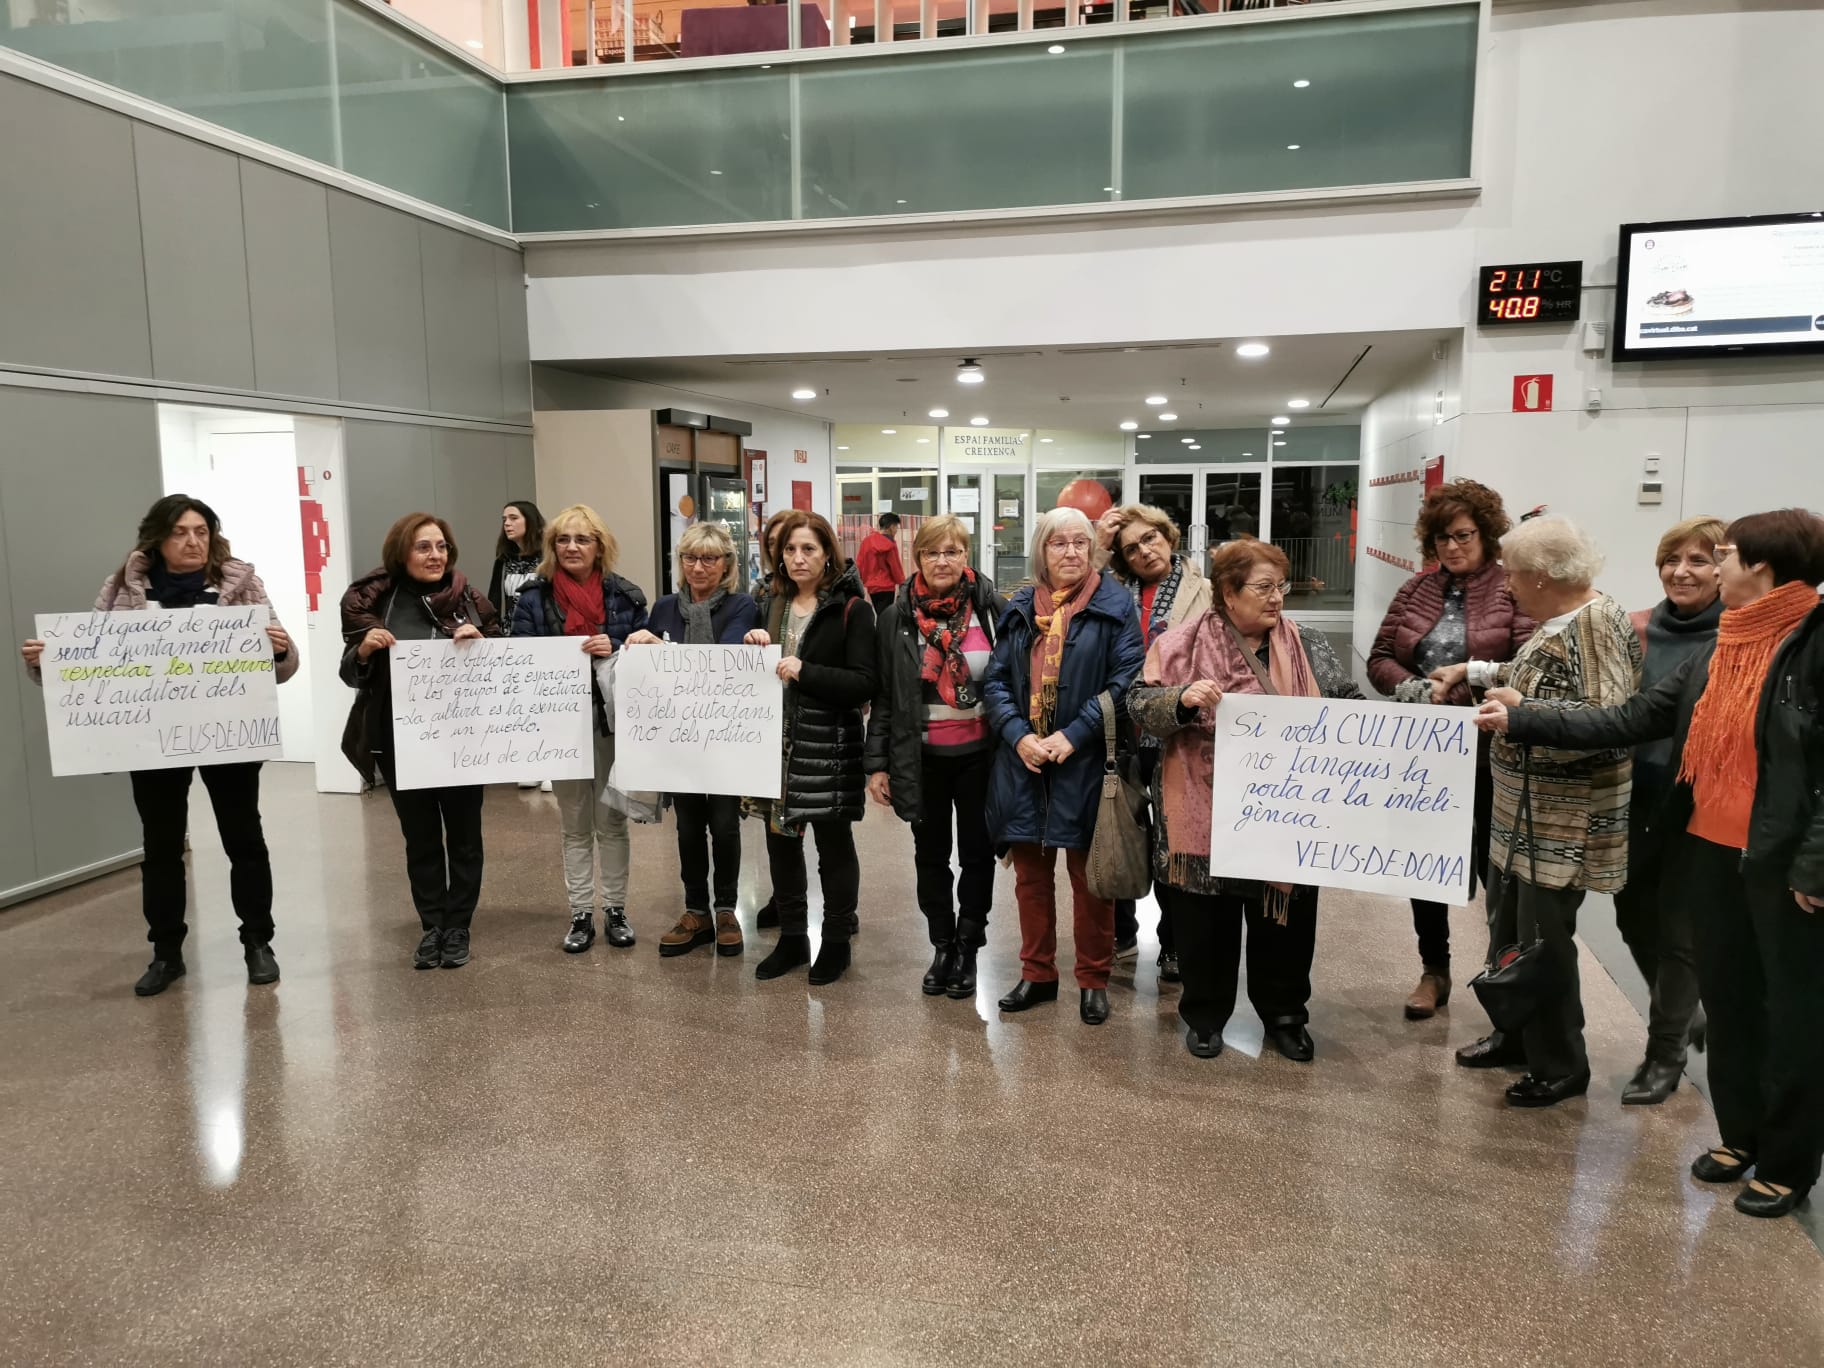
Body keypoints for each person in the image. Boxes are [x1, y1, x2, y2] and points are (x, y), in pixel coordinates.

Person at [1479, 510, 1824, 1213]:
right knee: (1728, 1001)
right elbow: (1631, 720)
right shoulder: (1721, 647)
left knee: (1793, 1016)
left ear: (1760, 568)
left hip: (1782, 864)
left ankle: (1787, 1164)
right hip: (1705, 848)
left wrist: (1814, 868)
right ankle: (1741, 1135)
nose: (1710, 568)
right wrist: (1525, 716)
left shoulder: (1812, 643)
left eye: (1722, 555)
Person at [19, 495, 297, 996]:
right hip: (151, 740)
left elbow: (283, 661)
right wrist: (49, 662)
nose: (193, 542)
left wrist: (279, 650)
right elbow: (92, 663)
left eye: (202, 532)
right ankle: (166, 952)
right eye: (181, 533)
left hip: (227, 734)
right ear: (157, 538)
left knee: (244, 840)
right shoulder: (123, 587)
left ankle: (258, 942)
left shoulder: (242, 584)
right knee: (161, 846)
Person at [1129, 538, 1364, 1061]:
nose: (1277, 597)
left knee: (1283, 921)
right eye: (1263, 587)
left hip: (1285, 813)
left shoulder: (1307, 644)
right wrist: (1182, 700)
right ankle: (1206, 1015)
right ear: (1228, 594)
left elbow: (1347, 704)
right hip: (1200, 809)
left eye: (1281, 586)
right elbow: (1139, 704)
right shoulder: (1180, 644)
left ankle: (1284, 1015)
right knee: (1204, 924)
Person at [1445, 517, 1641, 1107]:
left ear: (1543, 577)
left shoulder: (1597, 625)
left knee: (1545, 944)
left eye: (1512, 572)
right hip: (1522, 815)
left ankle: (1560, 1064)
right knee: (1510, 930)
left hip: (1562, 822)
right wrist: (1488, 677)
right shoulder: (1557, 620)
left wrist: (1519, 715)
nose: (1503, 583)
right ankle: (1516, 1034)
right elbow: (1544, 679)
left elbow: (1610, 723)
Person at [1368, 479, 1534, 1020]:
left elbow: (1530, 666)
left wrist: (1456, 688)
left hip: (1492, 751)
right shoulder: (1416, 590)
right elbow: (1378, 659)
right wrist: (1415, 687)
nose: (1453, 547)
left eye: (1463, 535)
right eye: (1442, 538)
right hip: (1424, 751)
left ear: (1487, 534)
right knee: (1426, 862)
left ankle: (1506, 975)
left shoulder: (1514, 589)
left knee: (1497, 871)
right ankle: (1433, 970)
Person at [984, 507, 1144, 1026]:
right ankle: (1038, 974)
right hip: (1025, 763)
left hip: (1087, 762)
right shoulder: (1018, 609)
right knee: (1029, 878)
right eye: (1059, 543)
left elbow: (1126, 683)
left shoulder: (1115, 606)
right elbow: (997, 683)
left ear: (1093, 549)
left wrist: (1072, 737)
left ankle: (1093, 980)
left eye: (1080, 542)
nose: (1071, 552)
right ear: (1042, 552)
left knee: (1088, 878)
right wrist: (1019, 736)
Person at [340, 512, 501, 970]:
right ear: (402, 552)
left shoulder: (469, 600)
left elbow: (504, 665)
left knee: (466, 837)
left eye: (441, 547)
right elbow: (350, 672)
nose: (435, 556)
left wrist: (481, 642)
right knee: (421, 837)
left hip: (463, 740)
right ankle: (432, 925)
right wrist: (365, 651)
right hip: (399, 739)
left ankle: (459, 926)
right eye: (423, 547)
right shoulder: (376, 601)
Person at [865, 513, 1005, 999]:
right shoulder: (896, 617)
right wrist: (877, 764)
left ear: (967, 556)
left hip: (981, 760)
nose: (942, 561)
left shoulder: (993, 609)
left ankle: (968, 946)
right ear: (916, 558)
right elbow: (885, 696)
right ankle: (942, 945)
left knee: (977, 855)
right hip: (920, 759)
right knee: (930, 857)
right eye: (931, 552)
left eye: (952, 551)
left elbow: (1009, 686)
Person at [1614, 516, 1725, 1101]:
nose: (1681, 572)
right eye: (1671, 559)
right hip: (1635, 794)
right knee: (1631, 918)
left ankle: (1665, 1052)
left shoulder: (1734, 635)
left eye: (1699, 561)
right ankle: (1684, 1012)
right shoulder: (1634, 629)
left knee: (1680, 929)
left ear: (1723, 569)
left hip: (1698, 803)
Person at [743, 510, 877, 985]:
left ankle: (836, 942)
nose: (797, 558)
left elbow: (864, 683)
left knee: (833, 847)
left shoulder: (851, 609)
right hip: (775, 747)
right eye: (790, 549)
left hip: (830, 748)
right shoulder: (771, 605)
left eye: (809, 549)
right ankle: (794, 937)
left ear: (827, 556)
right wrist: (755, 646)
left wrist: (805, 671)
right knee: (780, 844)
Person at [510, 504, 650, 954]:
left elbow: (649, 657)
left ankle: (615, 910)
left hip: (612, 725)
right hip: (561, 726)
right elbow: (519, 656)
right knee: (573, 824)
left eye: (582, 539)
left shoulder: (626, 597)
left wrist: (620, 645)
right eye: (563, 539)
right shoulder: (534, 598)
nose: (572, 547)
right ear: (552, 546)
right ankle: (580, 914)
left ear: (599, 546)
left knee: (611, 822)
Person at [626, 521, 761, 959]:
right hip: (676, 741)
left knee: (723, 825)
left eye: (709, 559)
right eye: (690, 558)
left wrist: (662, 651)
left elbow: (719, 661)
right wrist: (641, 643)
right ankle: (695, 910)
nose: (699, 567)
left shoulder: (742, 605)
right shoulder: (663, 608)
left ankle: (725, 909)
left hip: (724, 737)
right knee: (686, 827)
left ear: (726, 565)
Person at [1098, 503, 1213, 983]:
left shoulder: (1204, 590)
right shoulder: (1114, 593)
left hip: (1179, 735)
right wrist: (1100, 545)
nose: (1144, 551)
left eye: (1150, 539)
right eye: (1131, 548)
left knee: (1174, 845)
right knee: (1118, 833)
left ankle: (1174, 944)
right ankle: (1121, 933)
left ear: (1168, 536)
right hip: (1120, 734)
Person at [490, 500, 545, 633]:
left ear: (530, 521)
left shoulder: (548, 557)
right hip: (511, 633)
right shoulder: (504, 559)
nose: (507, 523)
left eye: (513, 518)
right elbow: (494, 601)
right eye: (504, 519)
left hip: (542, 631)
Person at [855, 512, 906, 615]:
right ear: (891, 527)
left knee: (879, 613)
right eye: (896, 527)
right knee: (886, 616)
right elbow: (895, 567)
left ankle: (879, 630)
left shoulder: (867, 541)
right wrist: (902, 584)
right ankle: (882, 631)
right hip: (887, 586)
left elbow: (860, 563)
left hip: (872, 587)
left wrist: (861, 580)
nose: (896, 531)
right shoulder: (890, 544)